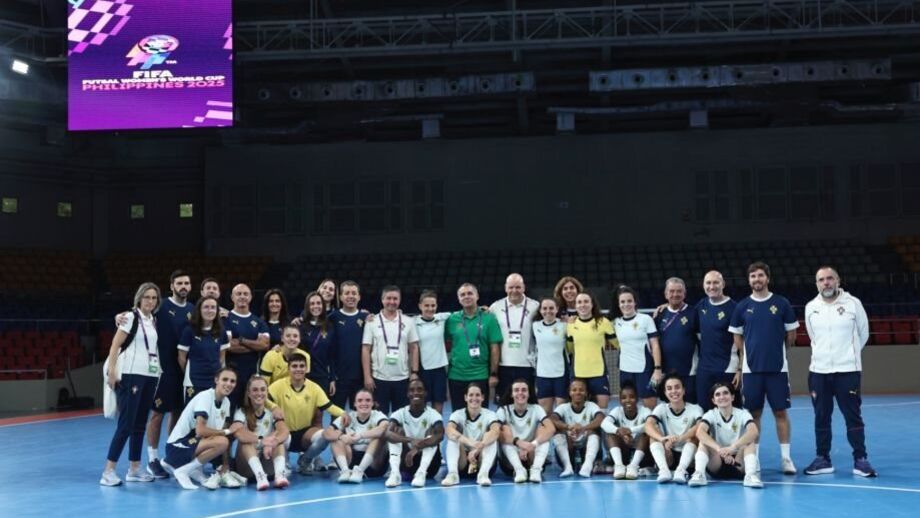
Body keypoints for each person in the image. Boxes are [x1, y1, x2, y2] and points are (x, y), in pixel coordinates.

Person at [116, 270, 191, 478]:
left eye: (186, 283)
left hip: (183, 369)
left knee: (177, 412)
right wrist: (118, 316)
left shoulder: (193, 309)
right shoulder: (161, 305)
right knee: (158, 413)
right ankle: (152, 459)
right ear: (172, 286)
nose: (183, 286)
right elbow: (138, 313)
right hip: (161, 369)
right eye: (179, 283)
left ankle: (171, 456)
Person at [803, 266, 877, 477]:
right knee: (821, 416)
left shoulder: (853, 304)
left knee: (853, 416)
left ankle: (860, 460)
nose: (826, 283)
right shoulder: (811, 307)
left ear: (838, 281)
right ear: (816, 284)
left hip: (848, 371)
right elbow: (813, 336)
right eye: (821, 280)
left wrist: (847, 356)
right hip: (819, 371)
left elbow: (863, 334)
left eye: (829, 278)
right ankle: (822, 459)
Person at [729, 261, 798, 475]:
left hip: (778, 370)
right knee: (754, 415)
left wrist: (777, 351)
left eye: (760, 275)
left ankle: (786, 458)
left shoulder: (782, 303)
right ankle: (754, 459)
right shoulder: (742, 306)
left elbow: (791, 335)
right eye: (753, 276)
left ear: (767, 278)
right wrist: (747, 355)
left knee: (780, 412)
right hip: (751, 372)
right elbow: (737, 336)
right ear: (749, 280)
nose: (756, 279)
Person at [101, 282, 162, 486]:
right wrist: (112, 371)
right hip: (130, 375)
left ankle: (134, 468)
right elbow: (115, 345)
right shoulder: (130, 317)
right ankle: (108, 471)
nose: (150, 301)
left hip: (149, 376)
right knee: (126, 424)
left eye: (154, 298)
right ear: (139, 298)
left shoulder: (153, 320)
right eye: (147, 297)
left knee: (139, 424)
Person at [163, 367, 240, 490]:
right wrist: (228, 431)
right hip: (176, 447)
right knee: (222, 441)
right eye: (225, 379)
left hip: (193, 446)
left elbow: (218, 435)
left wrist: (226, 465)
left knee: (221, 440)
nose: (229, 384)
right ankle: (183, 471)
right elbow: (201, 431)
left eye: (232, 381)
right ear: (216, 380)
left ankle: (194, 469)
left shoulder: (226, 402)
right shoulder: (205, 397)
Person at [268, 354, 346, 475]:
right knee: (278, 437)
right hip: (284, 434)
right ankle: (284, 462)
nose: (298, 369)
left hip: (305, 435)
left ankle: (305, 460)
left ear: (306, 368)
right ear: (288, 369)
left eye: (301, 366)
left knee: (325, 436)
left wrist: (344, 414)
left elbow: (329, 407)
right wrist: (273, 407)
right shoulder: (277, 386)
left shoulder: (314, 387)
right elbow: (263, 399)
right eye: (294, 366)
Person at [689, 383, 762, 488]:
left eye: (725, 393)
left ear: (732, 397)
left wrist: (732, 448)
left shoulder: (743, 414)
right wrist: (719, 449)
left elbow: (753, 431)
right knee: (703, 442)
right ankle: (699, 474)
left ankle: (750, 475)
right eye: (717, 394)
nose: (722, 397)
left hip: (738, 462)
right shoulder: (710, 414)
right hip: (717, 462)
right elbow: (700, 432)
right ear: (713, 400)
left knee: (749, 442)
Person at [361, 285, 420, 415]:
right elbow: (366, 349)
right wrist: (367, 376)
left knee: (401, 418)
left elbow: (414, 347)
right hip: (378, 379)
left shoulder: (408, 321)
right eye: (388, 298)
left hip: (403, 378)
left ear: (400, 300)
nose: (392, 302)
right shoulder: (372, 321)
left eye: (395, 298)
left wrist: (414, 372)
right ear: (382, 299)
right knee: (379, 418)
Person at [445, 283, 503, 410]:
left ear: (477, 296)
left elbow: (494, 348)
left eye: (470, 293)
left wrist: (493, 373)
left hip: (480, 375)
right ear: (458, 299)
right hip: (456, 376)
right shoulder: (451, 320)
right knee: (458, 415)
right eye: (462, 294)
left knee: (481, 414)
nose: (466, 296)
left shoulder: (489, 318)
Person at [232, 375, 290, 490]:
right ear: (248, 393)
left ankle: (280, 475)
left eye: (263, 390)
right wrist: (261, 441)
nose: (259, 393)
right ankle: (260, 477)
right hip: (247, 468)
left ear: (267, 393)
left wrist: (273, 442)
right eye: (255, 390)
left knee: (278, 441)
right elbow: (239, 433)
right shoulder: (241, 412)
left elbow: (284, 430)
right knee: (246, 442)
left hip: (267, 463)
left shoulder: (272, 413)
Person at [694, 271, 741, 411]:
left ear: (723, 284)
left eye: (716, 282)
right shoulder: (701, 306)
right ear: (703, 285)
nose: (712, 286)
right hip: (704, 370)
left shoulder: (735, 308)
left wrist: (740, 370)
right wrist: (666, 306)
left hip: (728, 369)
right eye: (708, 283)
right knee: (704, 412)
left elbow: (743, 344)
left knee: (731, 412)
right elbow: (682, 313)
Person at [385, 379, 445, 488]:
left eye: (419, 389)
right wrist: (411, 440)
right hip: (407, 461)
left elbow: (440, 435)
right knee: (395, 432)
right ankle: (395, 473)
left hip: (430, 465)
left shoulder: (433, 414)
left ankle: (421, 473)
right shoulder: (400, 413)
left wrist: (417, 447)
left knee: (432, 433)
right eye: (412, 390)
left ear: (425, 393)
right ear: (408, 394)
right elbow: (387, 433)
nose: (416, 393)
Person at [490, 273, 540, 402]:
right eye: (511, 287)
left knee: (528, 404)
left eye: (518, 287)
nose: (514, 290)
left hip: (527, 364)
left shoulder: (535, 307)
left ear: (524, 288)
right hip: (503, 365)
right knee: (504, 404)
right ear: (505, 288)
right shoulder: (495, 307)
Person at [645, 373, 703, 484]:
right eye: (669, 388)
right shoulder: (661, 408)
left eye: (677, 387)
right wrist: (662, 439)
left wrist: (681, 438)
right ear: (665, 392)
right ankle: (664, 470)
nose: (674, 391)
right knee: (653, 435)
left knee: (697, 435)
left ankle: (681, 470)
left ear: (684, 390)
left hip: (689, 457)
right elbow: (648, 425)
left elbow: (700, 426)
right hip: (669, 454)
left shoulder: (695, 408)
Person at [442, 383, 502, 487]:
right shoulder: (457, 414)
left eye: (477, 395)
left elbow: (495, 431)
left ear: (482, 397)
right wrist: (471, 443)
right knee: (453, 438)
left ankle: (483, 474)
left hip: (482, 459)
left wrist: (478, 448)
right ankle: (453, 474)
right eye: (471, 395)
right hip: (463, 462)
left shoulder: (490, 414)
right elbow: (449, 430)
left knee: (491, 439)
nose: (474, 398)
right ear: (465, 397)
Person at [324, 388, 389, 483]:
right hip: (351, 461)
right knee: (335, 437)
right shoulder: (349, 417)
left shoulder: (378, 415)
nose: (364, 403)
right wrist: (341, 436)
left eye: (368, 400)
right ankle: (345, 471)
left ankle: (360, 470)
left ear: (373, 403)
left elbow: (383, 428)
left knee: (379, 437)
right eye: (360, 400)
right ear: (354, 404)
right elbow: (326, 433)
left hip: (374, 465)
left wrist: (360, 435)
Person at [496, 379, 555, 483]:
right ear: (511, 394)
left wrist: (532, 445)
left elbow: (551, 429)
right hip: (510, 461)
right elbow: (495, 432)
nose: (520, 393)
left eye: (524, 390)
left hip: (531, 454)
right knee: (504, 429)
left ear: (529, 393)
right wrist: (518, 442)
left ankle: (536, 470)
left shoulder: (536, 408)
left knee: (543, 429)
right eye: (516, 390)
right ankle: (519, 470)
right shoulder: (503, 410)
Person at [613, 286, 663, 409]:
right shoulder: (615, 322)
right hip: (625, 370)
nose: (626, 304)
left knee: (650, 402)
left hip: (645, 370)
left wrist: (657, 369)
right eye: (622, 302)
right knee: (628, 402)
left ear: (635, 302)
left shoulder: (646, 319)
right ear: (618, 304)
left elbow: (655, 345)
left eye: (629, 301)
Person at [565, 292, 616, 409]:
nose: (583, 305)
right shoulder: (571, 324)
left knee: (602, 409)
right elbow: (569, 349)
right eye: (579, 302)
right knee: (578, 409)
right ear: (575, 306)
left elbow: (618, 344)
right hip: (578, 374)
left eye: (586, 301)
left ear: (592, 304)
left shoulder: (603, 322)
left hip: (599, 373)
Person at [178, 296, 230, 404]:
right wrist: (189, 372)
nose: (210, 310)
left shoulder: (221, 331)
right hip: (193, 380)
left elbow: (222, 358)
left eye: (213, 307)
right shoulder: (189, 331)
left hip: (215, 381)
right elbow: (181, 357)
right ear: (199, 310)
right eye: (206, 307)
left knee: (212, 411)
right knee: (193, 412)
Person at [224, 284, 270, 406]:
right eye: (238, 294)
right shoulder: (225, 319)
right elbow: (229, 346)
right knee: (230, 409)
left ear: (250, 297)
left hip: (252, 374)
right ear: (232, 297)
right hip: (230, 374)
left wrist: (241, 340)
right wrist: (254, 345)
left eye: (245, 294)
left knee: (249, 409)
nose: (242, 296)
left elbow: (264, 345)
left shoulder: (259, 322)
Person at [655, 278, 699, 404]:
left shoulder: (694, 313)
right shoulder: (659, 314)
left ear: (684, 294)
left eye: (679, 291)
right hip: (666, 371)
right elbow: (655, 343)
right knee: (669, 406)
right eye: (671, 291)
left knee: (690, 405)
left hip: (689, 371)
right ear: (666, 294)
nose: (675, 294)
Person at [549, 378, 605, 478]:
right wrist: (568, 427)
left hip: (585, 447)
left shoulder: (591, 406)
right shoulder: (563, 407)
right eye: (574, 390)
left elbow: (601, 418)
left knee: (594, 431)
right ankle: (567, 467)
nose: (578, 392)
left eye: (581, 390)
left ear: (586, 393)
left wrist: (583, 428)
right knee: (558, 432)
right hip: (569, 446)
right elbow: (552, 419)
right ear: (569, 393)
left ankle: (587, 466)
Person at [329, 280, 368, 409]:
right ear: (340, 297)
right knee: (337, 416)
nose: (350, 296)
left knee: (359, 415)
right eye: (347, 293)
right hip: (339, 378)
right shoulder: (333, 318)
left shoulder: (366, 317)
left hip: (360, 378)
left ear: (359, 297)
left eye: (354, 293)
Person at [601, 380, 652, 480]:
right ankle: (619, 466)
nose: (628, 400)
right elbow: (604, 423)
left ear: (637, 398)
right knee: (610, 433)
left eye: (632, 397)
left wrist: (631, 430)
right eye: (624, 398)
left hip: (642, 455)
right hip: (624, 452)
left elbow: (651, 424)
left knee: (646, 433)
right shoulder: (617, 411)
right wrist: (618, 431)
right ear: (620, 400)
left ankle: (633, 466)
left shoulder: (645, 411)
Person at [414, 290, 451, 413]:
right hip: (422, 370)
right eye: (426, 305)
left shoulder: (443, 318)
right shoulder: (413, 322)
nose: (430, 309)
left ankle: (437, 424)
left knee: (438, 401)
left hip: (439, 369)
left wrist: (481, 309)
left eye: (433, 305)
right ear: (420, 306)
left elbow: (463, 313)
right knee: (421, 402)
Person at [533, 298, 568, 414]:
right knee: (545, 412)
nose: (548, 311)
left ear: (557, 309)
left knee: (561, 411)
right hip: (542, 374)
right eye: (545, 308)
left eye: (551, 308)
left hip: (561, 373)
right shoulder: (535, 326)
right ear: (540, 310)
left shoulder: (564, 325)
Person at [301, 291, 338, 397]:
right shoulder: (301, 326)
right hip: (304, 375)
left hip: (322, 376)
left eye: (318, 303)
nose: (315, 306)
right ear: (307, 306)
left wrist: (332, 378)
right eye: (312, 304)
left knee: (320, 407)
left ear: (323, 305)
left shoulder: (329, 327)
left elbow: (331, 355)